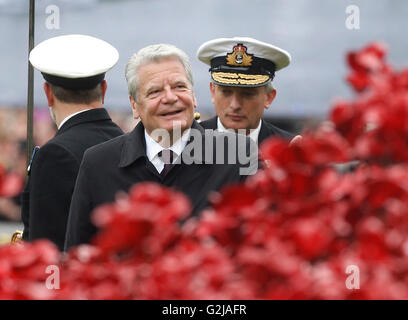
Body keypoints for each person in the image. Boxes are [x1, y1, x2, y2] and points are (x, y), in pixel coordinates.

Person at [64, 43, 257, 250]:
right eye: (155, 92)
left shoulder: (238, 156)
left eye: (179, 87)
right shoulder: (99, 164)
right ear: (134, 105)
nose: (170, 98)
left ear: (193, 96)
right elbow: (77, 257)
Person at [21, 34, 124, 251]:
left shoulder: (55, 154)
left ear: (48, 94)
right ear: (103, 90)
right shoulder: (125, 141)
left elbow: (48, 250)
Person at [197, 37, 301, 145]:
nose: (235, 105)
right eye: (226, 92)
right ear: (213, 92)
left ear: (269, 97)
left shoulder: (288, 148)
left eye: (248, 94)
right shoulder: (186, 143)